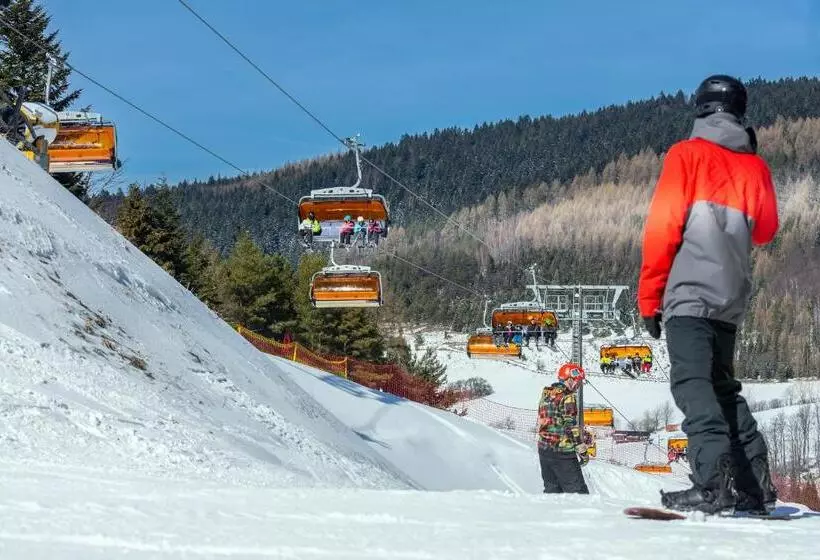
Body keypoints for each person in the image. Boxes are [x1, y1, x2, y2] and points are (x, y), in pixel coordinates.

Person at [638, 75, 779, 514]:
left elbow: (662, 228)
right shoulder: (755, 167)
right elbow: (766, 231)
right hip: (730, 296)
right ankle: (756, 489)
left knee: (693, 384)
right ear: (739, 112)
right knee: (722, 386)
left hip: (690, 295)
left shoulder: (686, 155)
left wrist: (649, 298)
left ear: (701, 109)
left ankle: (712, 484)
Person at [536, 363, 590, 494]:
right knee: (578, 493)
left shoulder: (546, 394)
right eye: (578, 381)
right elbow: (570, 427)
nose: (578, 386)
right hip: (563, 452)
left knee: (553, 491)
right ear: (570, 379)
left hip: (544, 449)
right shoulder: (568, 397)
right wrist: (582, 450)